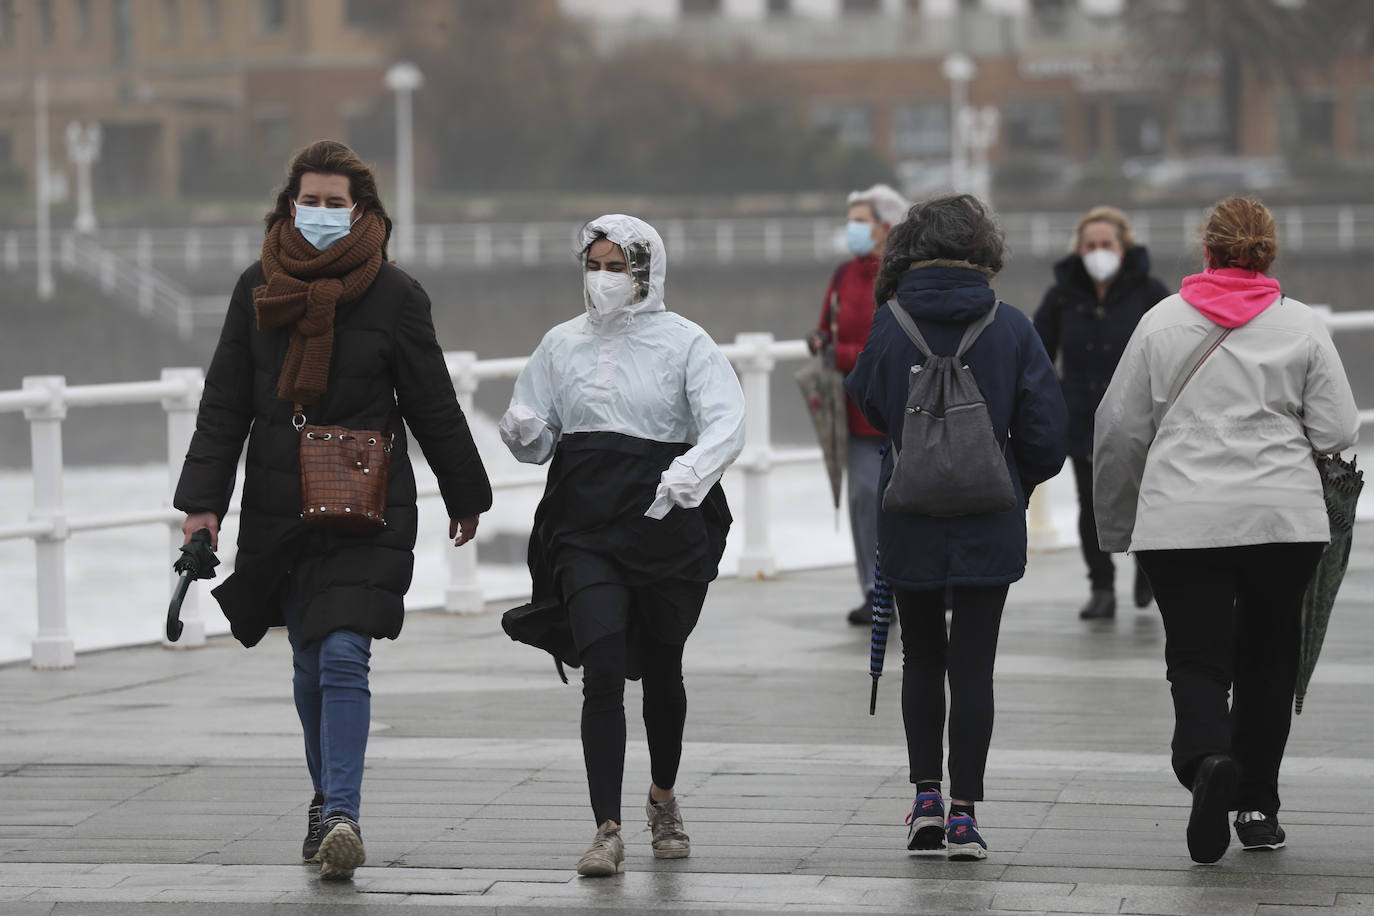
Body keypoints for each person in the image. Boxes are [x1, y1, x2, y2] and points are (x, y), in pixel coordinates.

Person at [174, 140, 492, 881]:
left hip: (367, 503)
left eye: (334, 202)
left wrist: (465, 492)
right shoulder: (258, 288)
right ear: (289, 205)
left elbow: (432, 402)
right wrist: (201, 507)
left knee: (345, 649)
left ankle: (343, 811)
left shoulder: (397, 295)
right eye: (308, 201)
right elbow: (223, 404)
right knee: (309, 661)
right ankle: (327, 803)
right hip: (282, 504)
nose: (320, 214)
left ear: (363, 211)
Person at [1093, 197, 1358, 864]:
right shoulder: (1301, 325)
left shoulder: (1160, 325)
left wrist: (1117, 528)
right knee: (1269, 659)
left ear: (1205, 251)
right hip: (1282, 521)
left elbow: (1119, 432)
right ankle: (1257, 808)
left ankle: (1208, 759)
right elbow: (1337, 430)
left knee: (1197, 656)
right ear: (1268, 253)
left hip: (1182, 522)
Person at [499, 214, 746, 877]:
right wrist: (522, 429)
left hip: (664, 518)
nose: (604, 279)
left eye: (619, 266)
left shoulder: (686, 342)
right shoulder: (559, 344)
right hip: (582, 522)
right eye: (595, 264)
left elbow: (728, 418)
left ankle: (662, 798)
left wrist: (692, 471)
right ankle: (605, 829)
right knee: (602, 666)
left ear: (646, 272)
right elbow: (539, 434)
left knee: (663, 668)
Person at [845, 194, 1068, 861]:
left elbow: (871, 403)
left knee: (922, 657)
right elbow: (1048, 437)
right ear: (984, 249)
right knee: (975, 664)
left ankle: (923, 801)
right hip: (989, 522)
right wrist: (1007, 480)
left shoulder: (890, 323)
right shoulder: (1012, 326)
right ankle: (966, 814)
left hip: (909, 516)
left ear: (911, 245)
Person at [1033, 206, 1169, 621]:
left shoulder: (1150, 292)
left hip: (1139, 420)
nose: (1097, 252)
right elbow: (1038, 353)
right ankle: (1102, 586)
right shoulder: (1061, 295)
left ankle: (1149, 571)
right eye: (1090, 245)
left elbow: (1170, 350)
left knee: (1146, 500)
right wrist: (1051, 402)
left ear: (1123, 247)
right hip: (1080, 419)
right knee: (1090, 504)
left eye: (1105, 244)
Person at [809, 184, 910, 626]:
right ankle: (873, 592)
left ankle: (919, 584)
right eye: (849, 220)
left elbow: (893, 342)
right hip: (854, 411)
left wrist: (844, 354)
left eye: (859, 220)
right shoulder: (842, 275)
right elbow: (825, 328)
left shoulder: (905, 277)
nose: (851, 229)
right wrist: (821, 342)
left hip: (903, 410)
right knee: (864, 499)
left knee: (909, 501)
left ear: (886, 228)